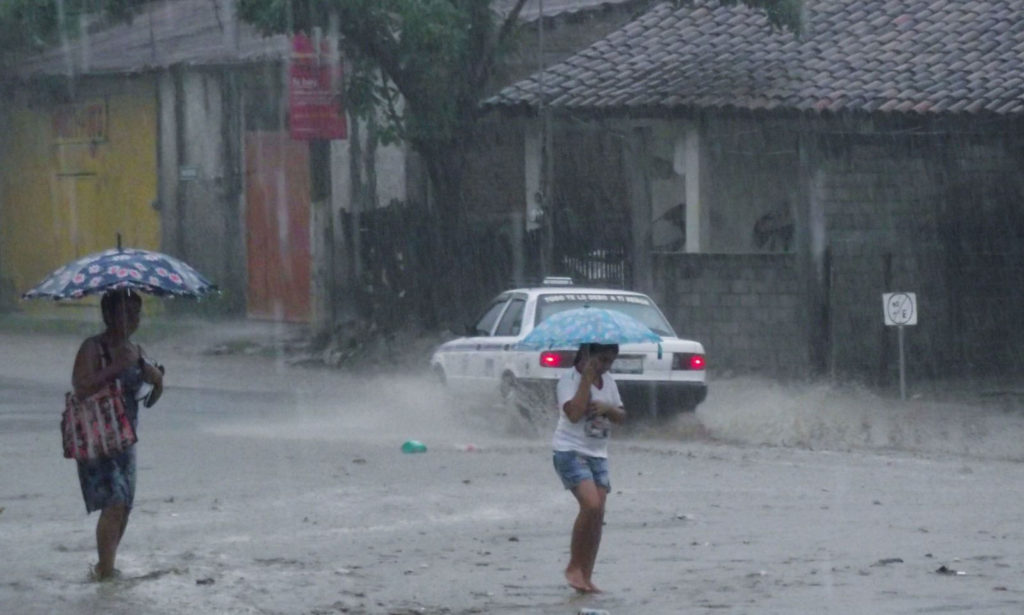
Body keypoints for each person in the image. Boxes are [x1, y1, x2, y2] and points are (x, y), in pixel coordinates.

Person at [71, 288, 164, 581]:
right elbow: (81, 388)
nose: (133, 319)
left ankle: (105, 567)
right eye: (126, 313)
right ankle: (106, 572)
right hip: (98, 436)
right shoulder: (93, 347)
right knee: (114, 503)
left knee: (124, 506)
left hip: (126, 439)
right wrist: (115, 367)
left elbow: (147, 394)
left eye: (136, 313)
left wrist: (157, 381)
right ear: (108, 315)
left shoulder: (136, 350)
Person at [551, 342, 627, 593]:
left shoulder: (610, 382)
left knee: (598, 514)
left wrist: (608, 409)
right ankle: (574, 566)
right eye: (601, 360)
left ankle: (586, 574)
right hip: (570, 451)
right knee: (591, 505)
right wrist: (586, 379)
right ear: (586, 355)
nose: (605, 366)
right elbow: (573, 414)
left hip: (598, 454)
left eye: (610, 362)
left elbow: (622, 416)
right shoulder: (568, 380)